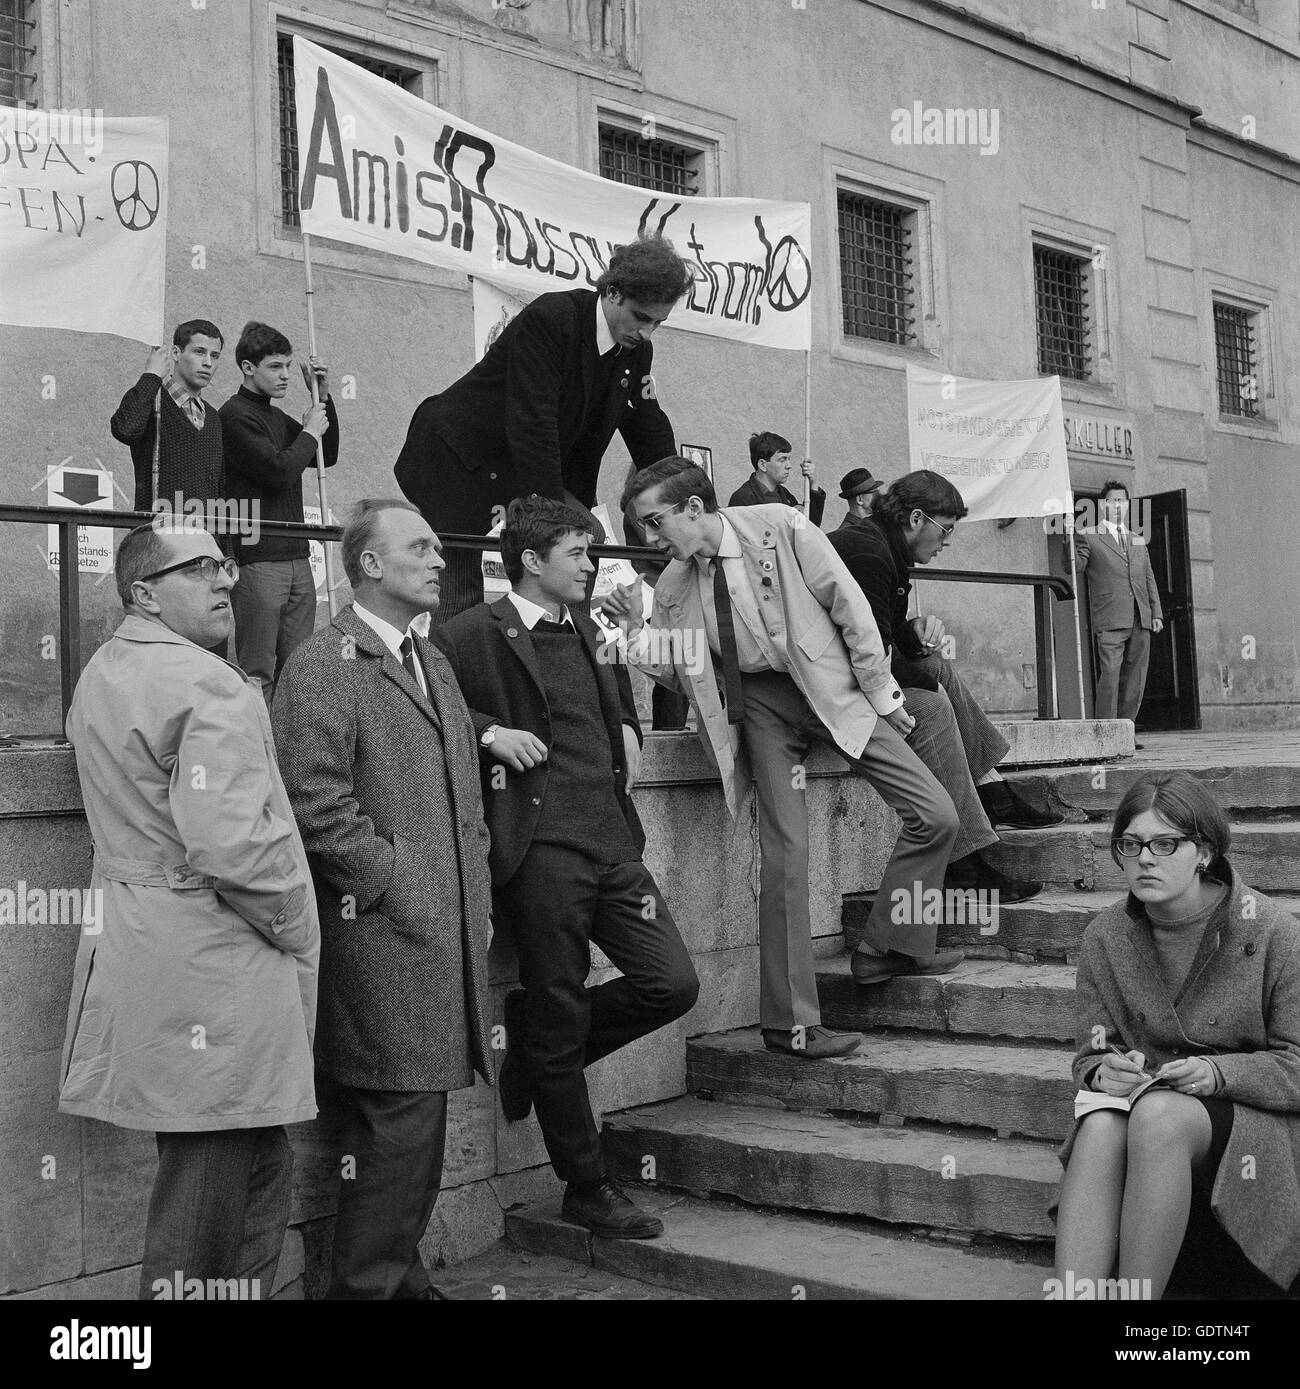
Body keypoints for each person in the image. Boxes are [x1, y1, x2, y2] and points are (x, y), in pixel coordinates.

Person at [606, 457, 965, 1054]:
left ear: (694, 508)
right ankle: (790, 1023)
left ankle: (889, 947)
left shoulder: (780, 524)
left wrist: (883, 692)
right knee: (784, 859)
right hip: (761, 711)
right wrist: (634, 638)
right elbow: (683, 671)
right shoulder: (670, 586)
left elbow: (848, 604)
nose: (649, 537)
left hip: (833, 688)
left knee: (936, 813)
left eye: (653, 521)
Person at [59, 519, 319, 1300]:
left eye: (225, 564)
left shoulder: (103, 670)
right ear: (145, 592)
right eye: (200, 567)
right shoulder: (209, 683)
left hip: (145, 942)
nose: (225, 579)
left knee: (248, 1158)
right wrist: (298, 925)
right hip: (213, 955)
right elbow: (235, 846)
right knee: (210, 1190)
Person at [433, 496, 698, 1238]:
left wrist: (628, 730)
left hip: (614, 842)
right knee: (559, 996)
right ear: (530, 560)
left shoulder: (594, 626)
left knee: (671, 981)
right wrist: (489, 734)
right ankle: (586, 1183)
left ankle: (541, 1047)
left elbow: (620, 703)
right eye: (578, 553)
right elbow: (439, 712)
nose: (592, 565)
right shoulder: (467, 634)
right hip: (539, 849)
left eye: (592, 552)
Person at [272, 498, 494, 1299]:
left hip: (434, 931)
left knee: (407, 1128)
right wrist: (396, 880)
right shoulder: (324, 661)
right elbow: (314, 799)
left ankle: (404, 1284)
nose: (440, 559)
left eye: (439, 544)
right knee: (403, 1128)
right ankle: (367, 1288)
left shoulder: (431, 659)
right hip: (381, 937)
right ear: (369, 564)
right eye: (421, 547)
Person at [1053, 771, 1300, 1298]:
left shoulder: (1273, 929)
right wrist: (1105, 1068)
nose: (1146, 859)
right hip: (1145, 1102)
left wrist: (1216, 1072)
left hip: (1250, 1117)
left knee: (1160, 1117)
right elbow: (1089, 1054)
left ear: (1205, 851)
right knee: (1097, 1127)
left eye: (1166, 844)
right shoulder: (1107, 935)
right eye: (1132, 844)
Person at [394, 234, 693, 619]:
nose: (647, 332)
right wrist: (555, 517)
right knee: (457, 590)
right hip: (457, 458)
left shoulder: (636, 353)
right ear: (613, 292)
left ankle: (561, 644)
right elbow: (533, 423)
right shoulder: (554, 318)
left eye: (658, 323)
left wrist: (687, 500)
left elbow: (648, 427)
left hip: (516, 466)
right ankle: (453, 672)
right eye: (641, 317)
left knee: (586, 536)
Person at [829, 469, 1062, 898]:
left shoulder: (884, 548)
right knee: (932, 704)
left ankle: (991, 789)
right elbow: (870, 656)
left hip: (848, 673)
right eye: (946, 531)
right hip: (826, 689)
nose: (946, 543)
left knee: (934, 664)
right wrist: (918, 673)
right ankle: (966, 863)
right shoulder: (867, 554)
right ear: (916, 518)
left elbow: (883, 633)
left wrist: (913, 629)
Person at [221, 321, 340, 705]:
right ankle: (260, 756)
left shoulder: (274, 416)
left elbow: (327, 454)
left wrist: (323, 398)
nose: (286, 374)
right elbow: (277, 472)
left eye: (288, 365)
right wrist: (309, 432)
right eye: (275, 366)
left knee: (298, 671)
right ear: (247, 367)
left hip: (297, 558)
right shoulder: (236, 415)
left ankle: (292, 755)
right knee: (258, 671)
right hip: (258, 559)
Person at [110, 319, 226, 514]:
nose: (208, 363)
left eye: (214, 356)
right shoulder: (152, 400)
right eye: (199, 352)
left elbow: (219, 491)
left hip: (204, 538)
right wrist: (151, 376)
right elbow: (125, 429)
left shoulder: (213, 418)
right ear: (175, 353)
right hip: (159, 536)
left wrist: (222, 544)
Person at [1073, 480, 1163, 728]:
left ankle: (1125, 730)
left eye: (1121, 501)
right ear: (1103, 505)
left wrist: (1156, 612)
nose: (1117, 506)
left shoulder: (1136, 538)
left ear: (1127, 505)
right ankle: (1104, 731)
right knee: (1111, 674)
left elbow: (1148, 577)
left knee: (1135, 678)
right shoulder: (1088, 535)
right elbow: (1075, 567)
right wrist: (1066, 542)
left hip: (1140, 617)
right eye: (1112, 501)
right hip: (1110, 617)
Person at [728, 431, 826, 527]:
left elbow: (807, 527)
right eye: (782, 460)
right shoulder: (743, 499)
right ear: (763, 465)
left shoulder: (784, 494)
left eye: (789, 459)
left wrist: (813, 483)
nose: (789, 466)